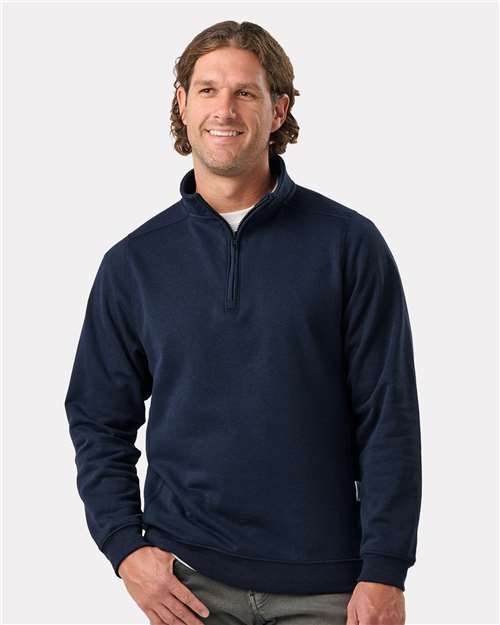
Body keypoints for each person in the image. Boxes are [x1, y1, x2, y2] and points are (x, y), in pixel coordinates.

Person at [64, 20, 421, 625]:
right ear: (182, 103)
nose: (223, 109)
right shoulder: (134, 263)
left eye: (245, 92)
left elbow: (388, 415)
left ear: (278, 110)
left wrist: (386, 569)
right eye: (207, 90)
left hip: (328, 586)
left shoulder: (349, 245)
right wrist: (124, 547)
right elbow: (97, 418)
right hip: (186, 583)